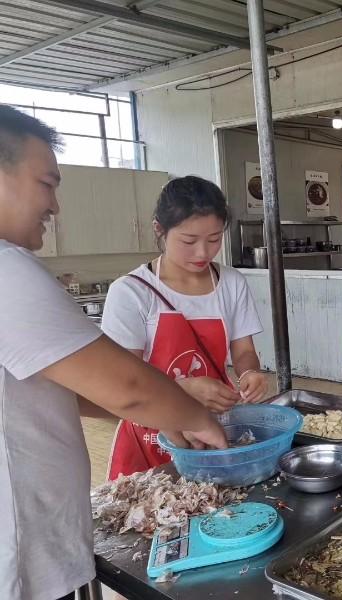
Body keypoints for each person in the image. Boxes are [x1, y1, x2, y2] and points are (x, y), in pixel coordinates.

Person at [0, 107, 226, 600]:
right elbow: (125, 386)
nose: (55, 206)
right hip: (19, 551)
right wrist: (194, 416)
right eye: (46, 183)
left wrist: (170, 418)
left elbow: (69, 389)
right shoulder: (7, 271)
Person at [102, 176, 269, 480]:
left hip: (212, 428)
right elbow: (120, 380)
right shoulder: (131, 292)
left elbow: (244, 351)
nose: (203, 253)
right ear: (159, 230)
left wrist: (249, 374)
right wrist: (182, 390)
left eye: (215, 239)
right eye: (189, 241)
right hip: (150, 436)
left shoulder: (230, 283)